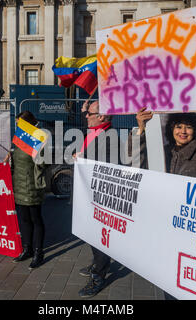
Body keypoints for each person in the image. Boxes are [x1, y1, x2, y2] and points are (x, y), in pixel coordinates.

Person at [75, 100, 120, 298]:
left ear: (101, 117)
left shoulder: (109, 137)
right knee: (92, 235)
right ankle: (97, 263)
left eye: (89, 114)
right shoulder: (95, 131)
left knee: (100, 237)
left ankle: (99, 276)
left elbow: (107, 169)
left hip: (99, 198)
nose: (86, 116)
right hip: (88, 195)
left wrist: (83, 159)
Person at [129, 107, 196, 180]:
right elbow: (134, 164)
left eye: (188, 127)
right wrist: (141, 129)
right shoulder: (159, 152)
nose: (183, 131)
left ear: (195, 131)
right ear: (171, 129)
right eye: (179, 127)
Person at [4, 111, 47, 270]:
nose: (17, 126)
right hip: (18, 184)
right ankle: (27, 249)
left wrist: (39, 154)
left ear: (28, 123)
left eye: (19, 123)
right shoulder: (18, 138)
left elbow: (44, 162)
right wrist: (10, 155)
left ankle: (38, 252)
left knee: (36, 218)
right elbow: (15, 159)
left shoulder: (39, 137)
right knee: (24, 219)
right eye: (16, 123)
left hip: (32, 185)